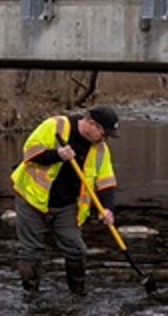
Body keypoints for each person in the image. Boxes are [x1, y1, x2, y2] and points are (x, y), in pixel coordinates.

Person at [9, 106, 120, 295]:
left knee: (76, 249)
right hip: (32, 199)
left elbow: (106, 181)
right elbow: (29, 153)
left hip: (67, 206)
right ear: (92, 124)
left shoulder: (100, 149)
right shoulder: (55, 126)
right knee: (32, 251)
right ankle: (31, 295)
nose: (105, 138)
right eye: (104, 133)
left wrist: (107, 209)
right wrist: (57, 155)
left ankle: (77, 294)